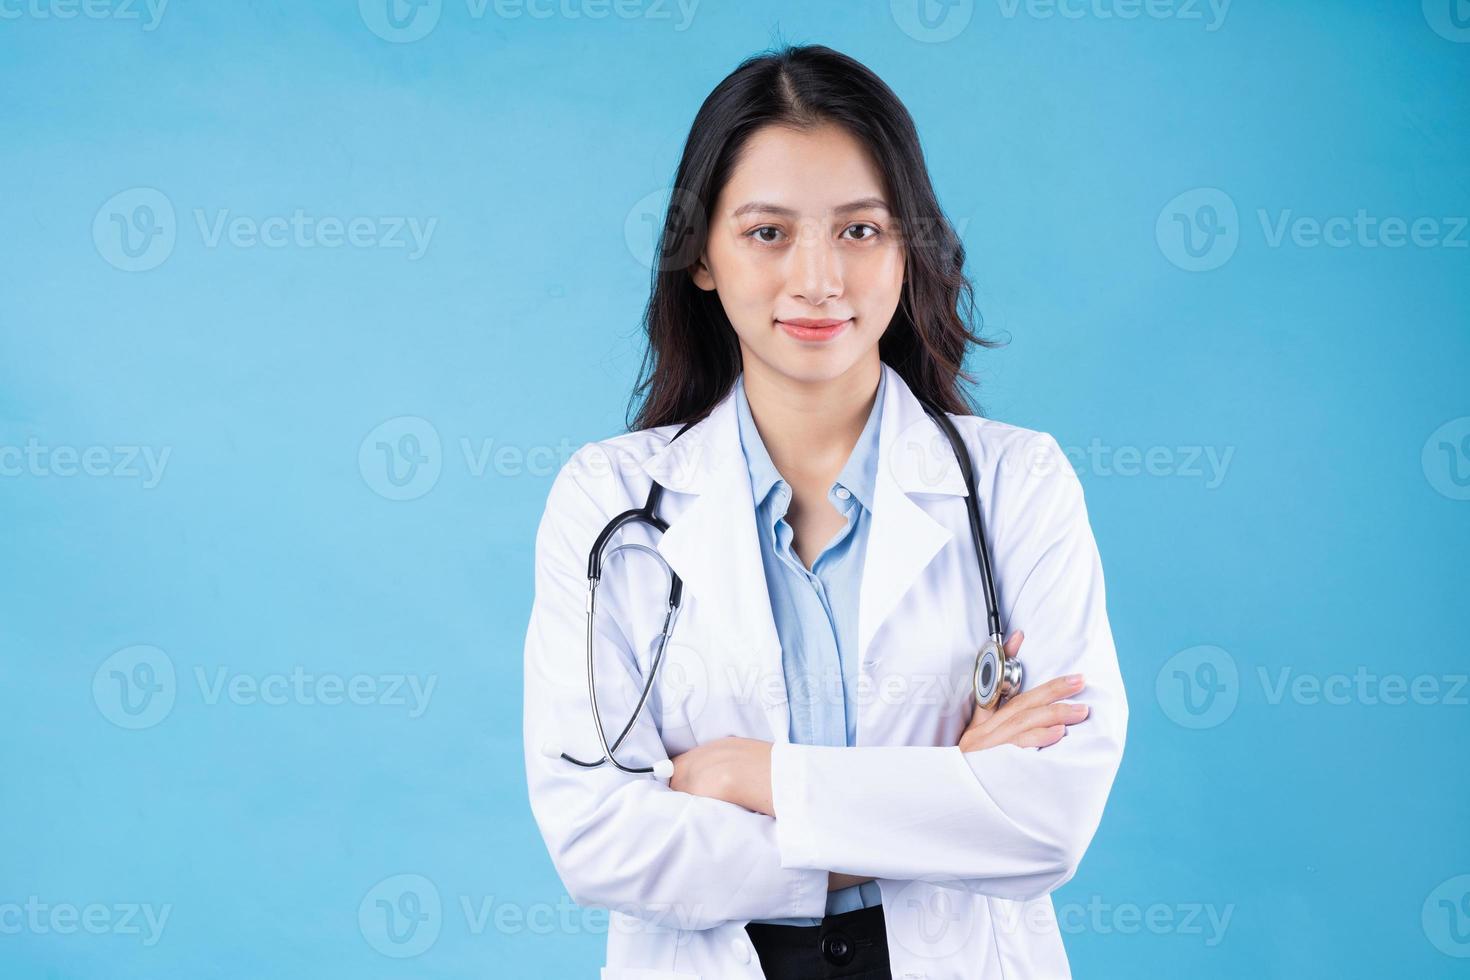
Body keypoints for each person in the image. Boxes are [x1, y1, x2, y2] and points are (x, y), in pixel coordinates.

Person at [522, 43, 1127, 980]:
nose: (818, 280)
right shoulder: (606, 501)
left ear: (908, 247)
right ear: (703, 258)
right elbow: (597, 837)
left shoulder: (1018, 485)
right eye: (768, 232)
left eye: (859, 231)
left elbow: (1047, 823)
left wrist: (756, 778)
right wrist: (945, 804)